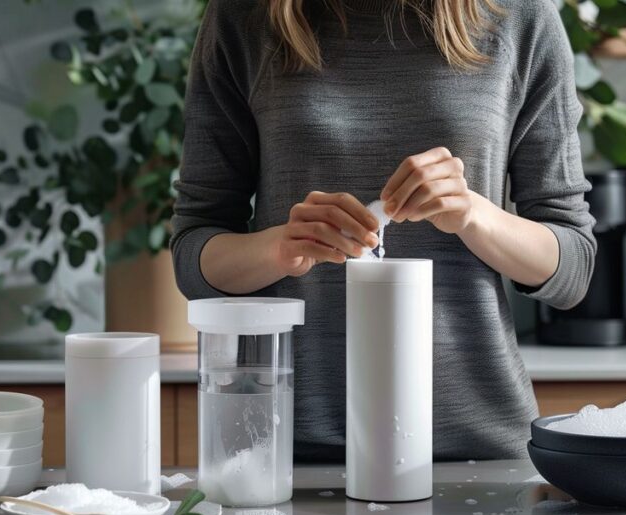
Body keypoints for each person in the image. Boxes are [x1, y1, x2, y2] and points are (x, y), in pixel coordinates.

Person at [170, 0, 596, 461]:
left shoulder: (520, 15)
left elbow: (572, 269)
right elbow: (193, 257)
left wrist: (473, 214)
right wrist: (279, 247)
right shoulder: (243, 16)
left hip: (476, 448)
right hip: (286, 452)